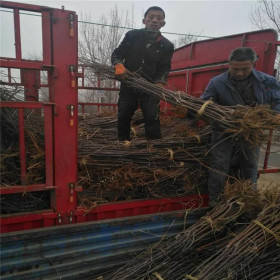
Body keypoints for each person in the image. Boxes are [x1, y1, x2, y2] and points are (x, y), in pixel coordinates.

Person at [200, 47, 280, 207]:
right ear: (229, 64)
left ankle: (248, 199)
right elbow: (204, 103)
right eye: (235, 69)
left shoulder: (267, 81)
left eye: (245, 69)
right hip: (224, 130)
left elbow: (278, 101)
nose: (240, 73)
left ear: (253, 65)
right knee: (219, 165)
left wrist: (276, 114)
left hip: (252, 131)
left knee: (250, 165)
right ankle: (215, 203)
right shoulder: (217, 82)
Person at [111, 6, 174, 140]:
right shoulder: (132, 36)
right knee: (123, 115)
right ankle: (123, 144)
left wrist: (160, 82)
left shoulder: (167, 46)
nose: (154, 20)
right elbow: (118, 53)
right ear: (144, 20)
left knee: (152, 117)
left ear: (163, 23)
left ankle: (154, 149)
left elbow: (164, 67)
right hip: (129, 83)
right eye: (151, 17)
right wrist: (119, 65)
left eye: (159, 18)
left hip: (150, 87)